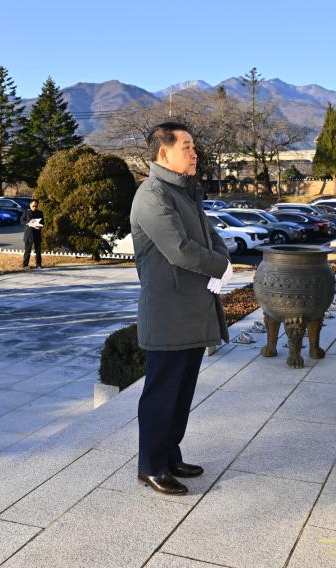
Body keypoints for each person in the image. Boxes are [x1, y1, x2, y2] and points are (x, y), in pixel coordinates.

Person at [130, 122, 233, 496]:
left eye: (193, 146)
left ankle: (170, 456)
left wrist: (223, 258)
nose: (194, 153)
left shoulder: (184, 191)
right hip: (168, 312)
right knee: (161, 394)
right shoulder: (152, 195)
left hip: (191, 310)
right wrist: (220, 266)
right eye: (186, 146)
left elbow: (210, 237)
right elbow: (180, 250)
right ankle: (151, 466)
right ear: (164, 153)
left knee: (181, 393)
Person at [22, 198, 44, 269]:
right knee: (27, 251)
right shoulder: (26, 212)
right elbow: (22, 221)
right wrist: (28, 223)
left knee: (38, 251)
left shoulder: (40, 213)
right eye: (33, 206)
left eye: (36, 206)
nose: (34, 207)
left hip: (37, 234)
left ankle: (38, 264)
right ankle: (25, 265)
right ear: (30, 205)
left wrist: (40, 227)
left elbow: (42, 222)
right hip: (29, 234)